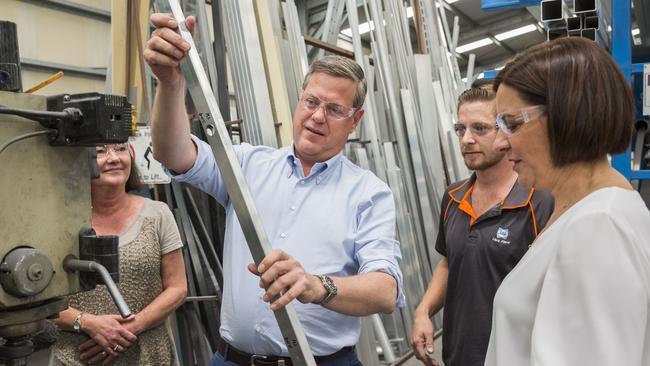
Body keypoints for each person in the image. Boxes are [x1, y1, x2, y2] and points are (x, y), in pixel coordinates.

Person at [144, 13, 404, 366]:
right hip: (232, 359)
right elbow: (172, 153)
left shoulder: (367, 194)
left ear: (355, 121)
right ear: (300, 101)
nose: (316, 116)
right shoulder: (248, 165)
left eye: (334, 109)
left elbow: (385, 291)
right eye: (311, 102)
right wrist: (171, 83)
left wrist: (317, 286)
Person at [484, 37, 650, 366]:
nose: (500, 143)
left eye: (512, 123)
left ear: (569, 114)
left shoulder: (598, 226)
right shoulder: (587, 210)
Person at [410, 87, 553, 366]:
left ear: (505, 131)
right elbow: (449, 263)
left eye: (479, 128)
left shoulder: (539, 202)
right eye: (460, 128)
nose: (466, 139)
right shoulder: (453, 197)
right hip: (458, 356)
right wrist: (423, 311)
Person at [50, 142, 187, 366]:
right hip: (79, 356)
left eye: (121, 149)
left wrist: (130, 329)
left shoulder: (158, 214)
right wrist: (87, 323)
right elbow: (40, 302)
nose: (113, 158)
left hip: (149, 355)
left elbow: (178, 288)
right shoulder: (59, 223)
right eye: (100, 151)